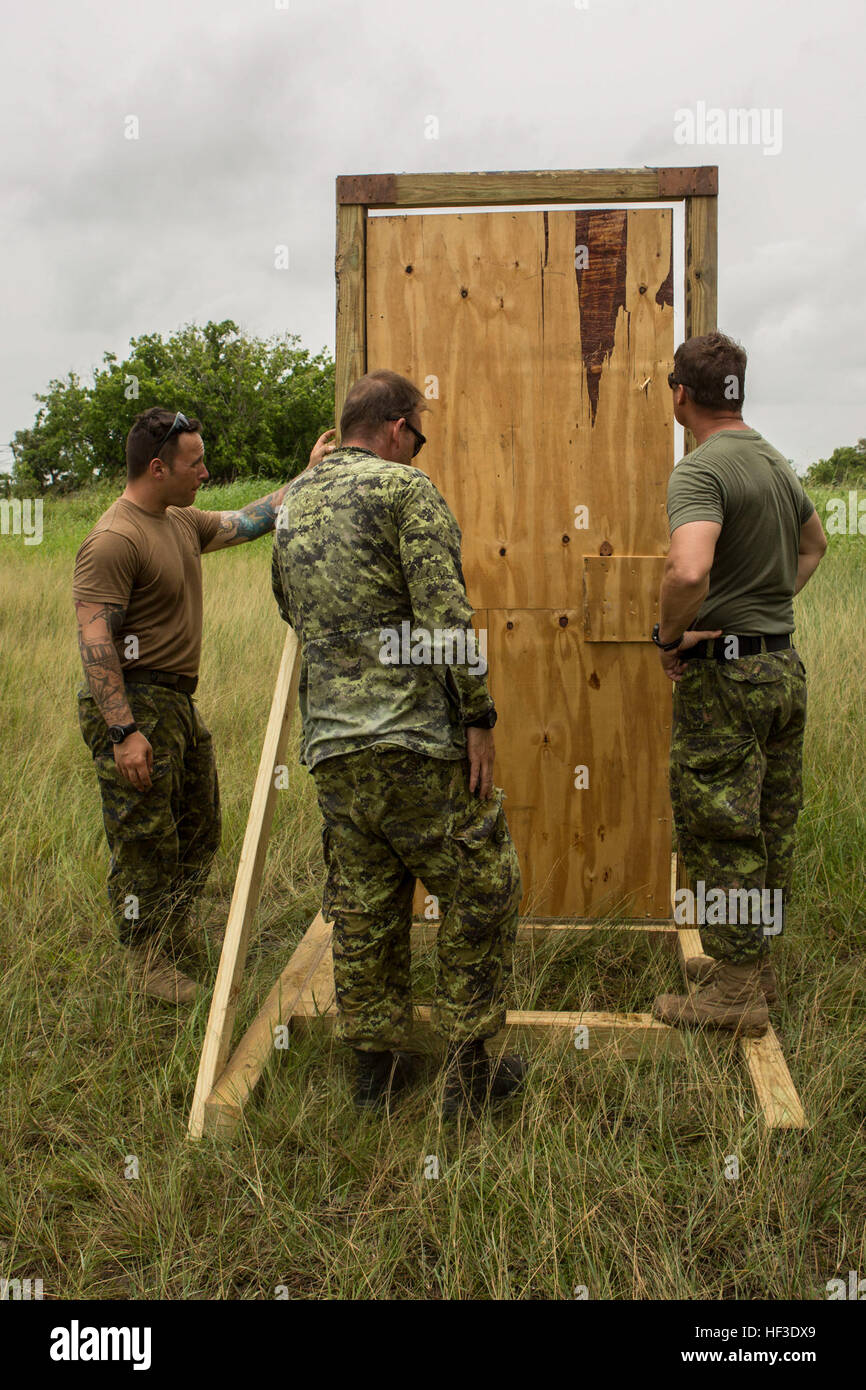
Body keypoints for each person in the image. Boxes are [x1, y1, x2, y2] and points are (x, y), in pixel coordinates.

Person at [271, 369, 523, 1116]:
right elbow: (444, 615)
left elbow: (291, 607)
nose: (418, 448)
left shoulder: (295, 505)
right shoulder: (404, 492)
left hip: (334, 749)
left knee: (366, 902)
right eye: (418, 434)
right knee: (482, 886)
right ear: (391, 427)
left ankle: (373, 1076)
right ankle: (469, 1075)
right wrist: (477, 718)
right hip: (414, 739)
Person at [73, 406, 336, 1004]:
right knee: (144, 836)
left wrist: (309, 475)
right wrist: (123, 732)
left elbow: (250, 520)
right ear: (158, 466)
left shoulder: (177, 521)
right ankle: (148, 960)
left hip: (176, 703)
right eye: (195, 463)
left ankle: (175, 927)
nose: (206, 471)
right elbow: (94, 638)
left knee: (198, 824)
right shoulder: (115, 539)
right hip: (135, 704)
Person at [650, 332, 827, 1037]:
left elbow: (688, 571)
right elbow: (815, 544)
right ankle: (746, 962)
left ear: (681, 394)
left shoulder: (701, 469)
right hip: (782, 667)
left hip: (727, 676)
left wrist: (671, 636)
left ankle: (734, 994)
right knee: (769, 821)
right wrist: (768, 610)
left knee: (721, 828)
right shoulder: (774, 461)